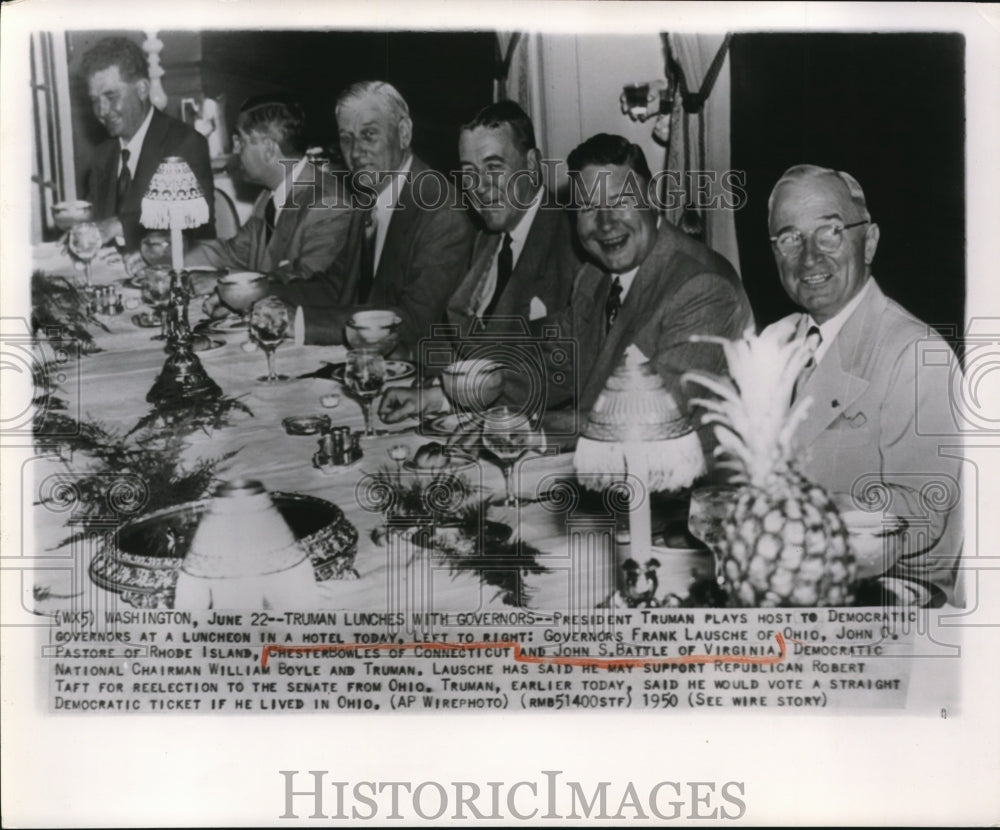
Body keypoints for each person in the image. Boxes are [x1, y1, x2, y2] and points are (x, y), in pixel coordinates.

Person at [763, 164, 962, 602]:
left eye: (830, 231)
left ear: (868, 242)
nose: (809, 256)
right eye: (790, 237)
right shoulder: (774, 342)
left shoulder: (914, 353)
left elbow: (923, 512)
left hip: (889, 597)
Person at [378, 100, 581, 424]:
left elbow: (564, 368)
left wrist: (444, 397)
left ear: (531, 164)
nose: (480, 187)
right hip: (476, 417)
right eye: (469, 173)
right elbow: (468, 338)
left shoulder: (574, 243)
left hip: (535, 433)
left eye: (494, 168)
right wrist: (406, 357)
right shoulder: (488, 238)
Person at [554, 133, 753, 429]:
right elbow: (553, 360)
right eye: (587, 207)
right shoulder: (593, 276)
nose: (605, 223)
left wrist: (534, 428)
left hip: (688, 470)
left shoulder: (704, 286)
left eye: (620, 201)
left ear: (652, 199)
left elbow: (652, 415)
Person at [268, 81, 475, 349]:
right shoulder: (370, 199)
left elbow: (412, 320)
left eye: (369, 135)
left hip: (416, 374)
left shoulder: (441, 210)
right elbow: (335, 286)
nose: (354, 152)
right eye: (346, 138)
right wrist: (261, 296)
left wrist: (300, 323)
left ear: (404, 133)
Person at [186, 98, 352, 289]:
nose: (235, 150)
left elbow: (307, 282)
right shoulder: (269, 196)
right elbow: (234, 253)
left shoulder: (328, 204)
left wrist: (223, 280)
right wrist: (169, 251)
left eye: (240, 140)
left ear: (269, 149)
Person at [80, 36, 214, 251]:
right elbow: (93, 225)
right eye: (95, 101)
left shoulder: (184, 143)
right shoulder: (102, 157)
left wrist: (120, 226)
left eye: (111, 97)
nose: (102, 112)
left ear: (142, 89)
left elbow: (193, 227)